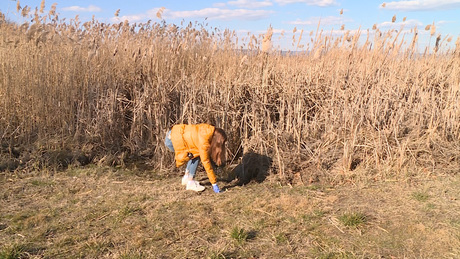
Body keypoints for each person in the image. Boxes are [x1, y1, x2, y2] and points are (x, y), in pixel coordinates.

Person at [164, 123, 227, 193]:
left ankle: (186, 177)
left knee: (194, 152)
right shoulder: (204, 142)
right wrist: (214, 183)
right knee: (197, 155)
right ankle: (190, 182)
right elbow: (206, 162)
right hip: (173, 140)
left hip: (173, 133)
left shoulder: (207, 129)